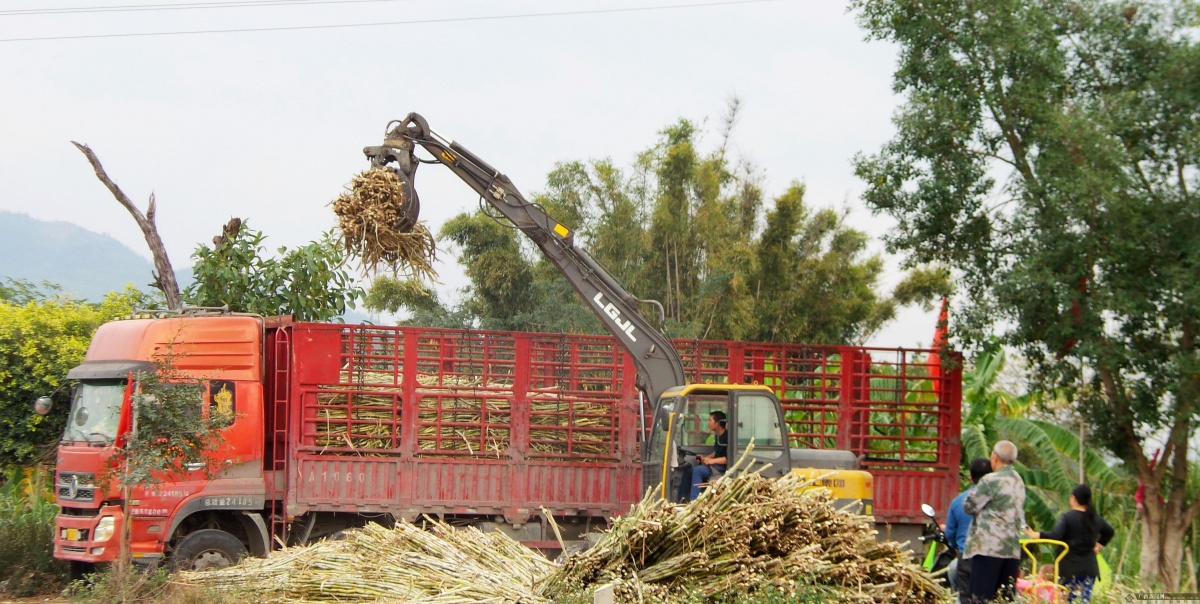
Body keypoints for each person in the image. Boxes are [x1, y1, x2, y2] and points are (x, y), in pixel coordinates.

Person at [1025, 484, 1114, 603]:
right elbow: (1109, 531)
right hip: (1089, 568)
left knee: (1067, 600)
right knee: (1084, 601)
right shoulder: (1095, 518)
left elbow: (1055, 535)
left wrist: (1036, 535)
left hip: (1069, 569)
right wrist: (1098, 546)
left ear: (1073, 498)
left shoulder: (1067, 517)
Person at [962, 440, 1027, 603]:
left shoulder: (990, 480)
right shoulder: (1019, 481)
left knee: (980, 598)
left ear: (995, 457)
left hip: (988, 549)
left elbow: (969, 507)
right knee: (1004, 599)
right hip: (1011, 550)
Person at [945, 457, 993, 601]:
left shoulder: (958, 502)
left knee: (962, 594)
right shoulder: (998, 501)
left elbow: (950, 534)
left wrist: (955, 546)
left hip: (966, 556)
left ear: (971, 478)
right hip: (991, 556)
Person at [689, 411, 728, 501]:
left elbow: (728, 458)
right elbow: (717, 452)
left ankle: (694, 501)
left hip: (722, 468)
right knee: (689, 471)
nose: (708, 423)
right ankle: (682, 498)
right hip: (715, 465)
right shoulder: (717, 435)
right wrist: (706, 458)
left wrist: (712, 461)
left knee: (697, 471)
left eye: (710, 420)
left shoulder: (727, 437)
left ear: (717, 423)